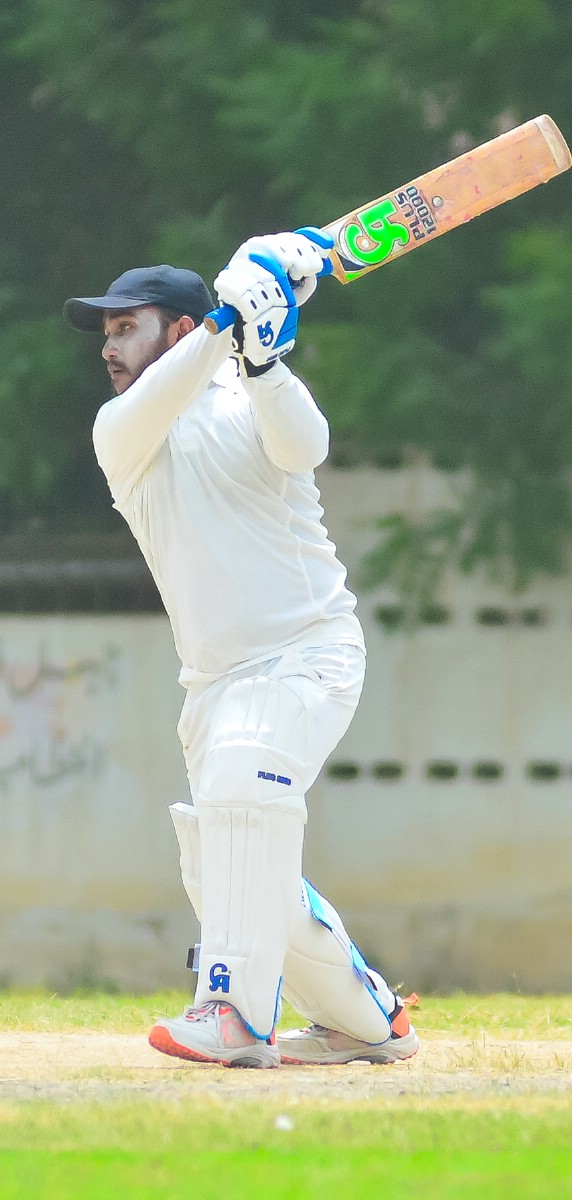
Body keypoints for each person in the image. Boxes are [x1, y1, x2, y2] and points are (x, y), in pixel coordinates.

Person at [63, 231, 419, 1068]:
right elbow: (170, 390)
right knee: (227, 865)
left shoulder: (252, 397)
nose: (109, 347)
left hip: (307, 652)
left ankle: (232, 1013)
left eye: (127, 327)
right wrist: (232, 320)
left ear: (180, 329)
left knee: (241, 786)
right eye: (107, 333)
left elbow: (306, 446)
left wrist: (261, 358)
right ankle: (366, 1021)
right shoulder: (122, 428)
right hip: (214, 684)